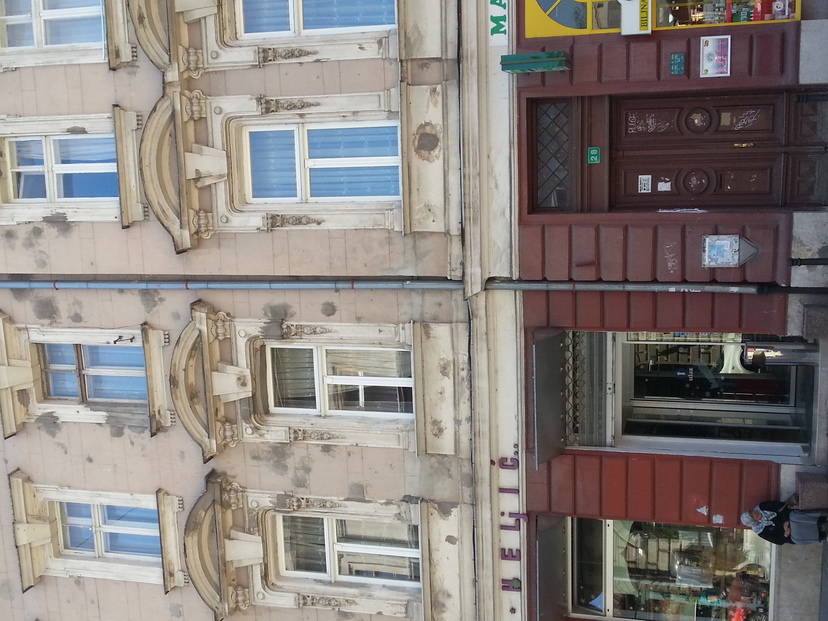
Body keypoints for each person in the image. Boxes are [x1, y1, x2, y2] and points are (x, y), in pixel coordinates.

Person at [741, 499, 828, 545]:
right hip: (787, 533)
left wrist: (786, 521)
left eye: (751, 512)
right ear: (753, 522)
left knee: (795, 518)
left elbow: (782, 506)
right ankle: (823, 535)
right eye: (752, 516)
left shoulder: (763, 506)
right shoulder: (760, 531)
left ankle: (822, 520)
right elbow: (778, 541)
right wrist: (785, 535)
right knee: (796, 537)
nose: (754, 513)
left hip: (788, 517)